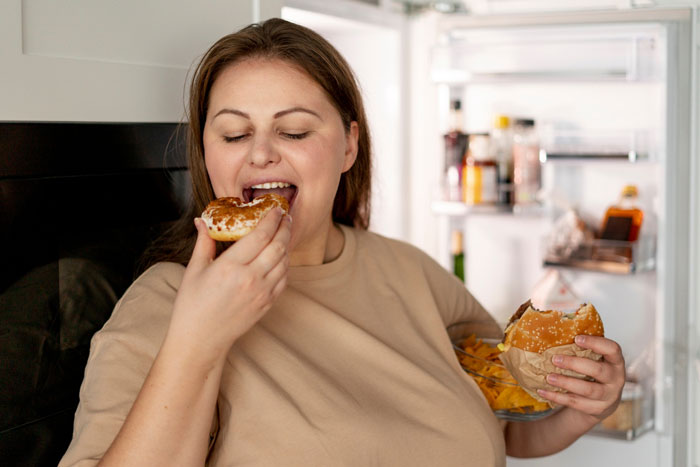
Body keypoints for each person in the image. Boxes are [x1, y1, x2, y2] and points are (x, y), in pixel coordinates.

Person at [60, 18, 626, 466]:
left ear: (349, 146)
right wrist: (197, 340)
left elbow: (501, 430)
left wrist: (579, 411)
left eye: (295, 130)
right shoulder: (165, 303)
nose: (260, 153)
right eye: (234, 132)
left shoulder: (411, 273)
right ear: (207, 151)